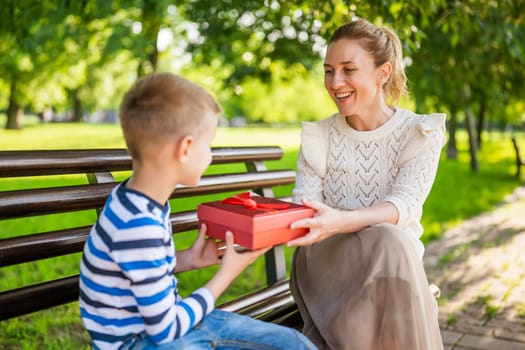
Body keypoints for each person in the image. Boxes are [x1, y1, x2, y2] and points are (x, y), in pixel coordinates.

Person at [79, 73, 316, 350]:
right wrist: (226, 275)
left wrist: (189, 259)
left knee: (296, 345)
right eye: (208, 143)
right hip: (141, 343)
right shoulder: (137, 223)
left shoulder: (137, 199)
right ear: (186, 148)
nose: (210, 154)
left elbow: (138, 270)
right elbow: (165, 331)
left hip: (169, 326)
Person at [287, 19, 446, 350]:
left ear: (382, 73)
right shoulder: (319, 138)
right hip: (326, 259)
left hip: (392, 264)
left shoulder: (419, 133)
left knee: (390, 240)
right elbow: (306, 208)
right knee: (391, 242)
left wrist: (340, 220)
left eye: (348, 69)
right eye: (329, 71)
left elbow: (402, 206)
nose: (335, 82)